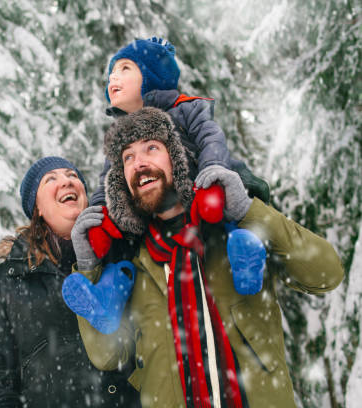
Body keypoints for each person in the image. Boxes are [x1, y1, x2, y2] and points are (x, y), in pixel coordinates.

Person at [70, 108, 344, 407]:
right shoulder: (134, 267)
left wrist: (247, 212)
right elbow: (107, 356)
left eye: (151, 148)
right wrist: (88, 269)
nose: (140, 164)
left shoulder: (236, 240)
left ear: (177, 157)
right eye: (128, 158)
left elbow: (326, 274)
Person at [0, 156, 141, 408]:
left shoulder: (121, 255)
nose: (66, 181)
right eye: (51, 179)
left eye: (73, 176)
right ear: (37, 208)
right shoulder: (11, 278)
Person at [91, 36, 269, 207]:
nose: (112, 77)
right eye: (111, 73)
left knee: (240, 196)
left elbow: (210, 139)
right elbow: (108, 178)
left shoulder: (185, 110)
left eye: (124, 69)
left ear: (150, 77)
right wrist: (99, 209)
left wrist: (212, 171)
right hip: (161, 209)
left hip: (207, 191)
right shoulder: (120, 135)